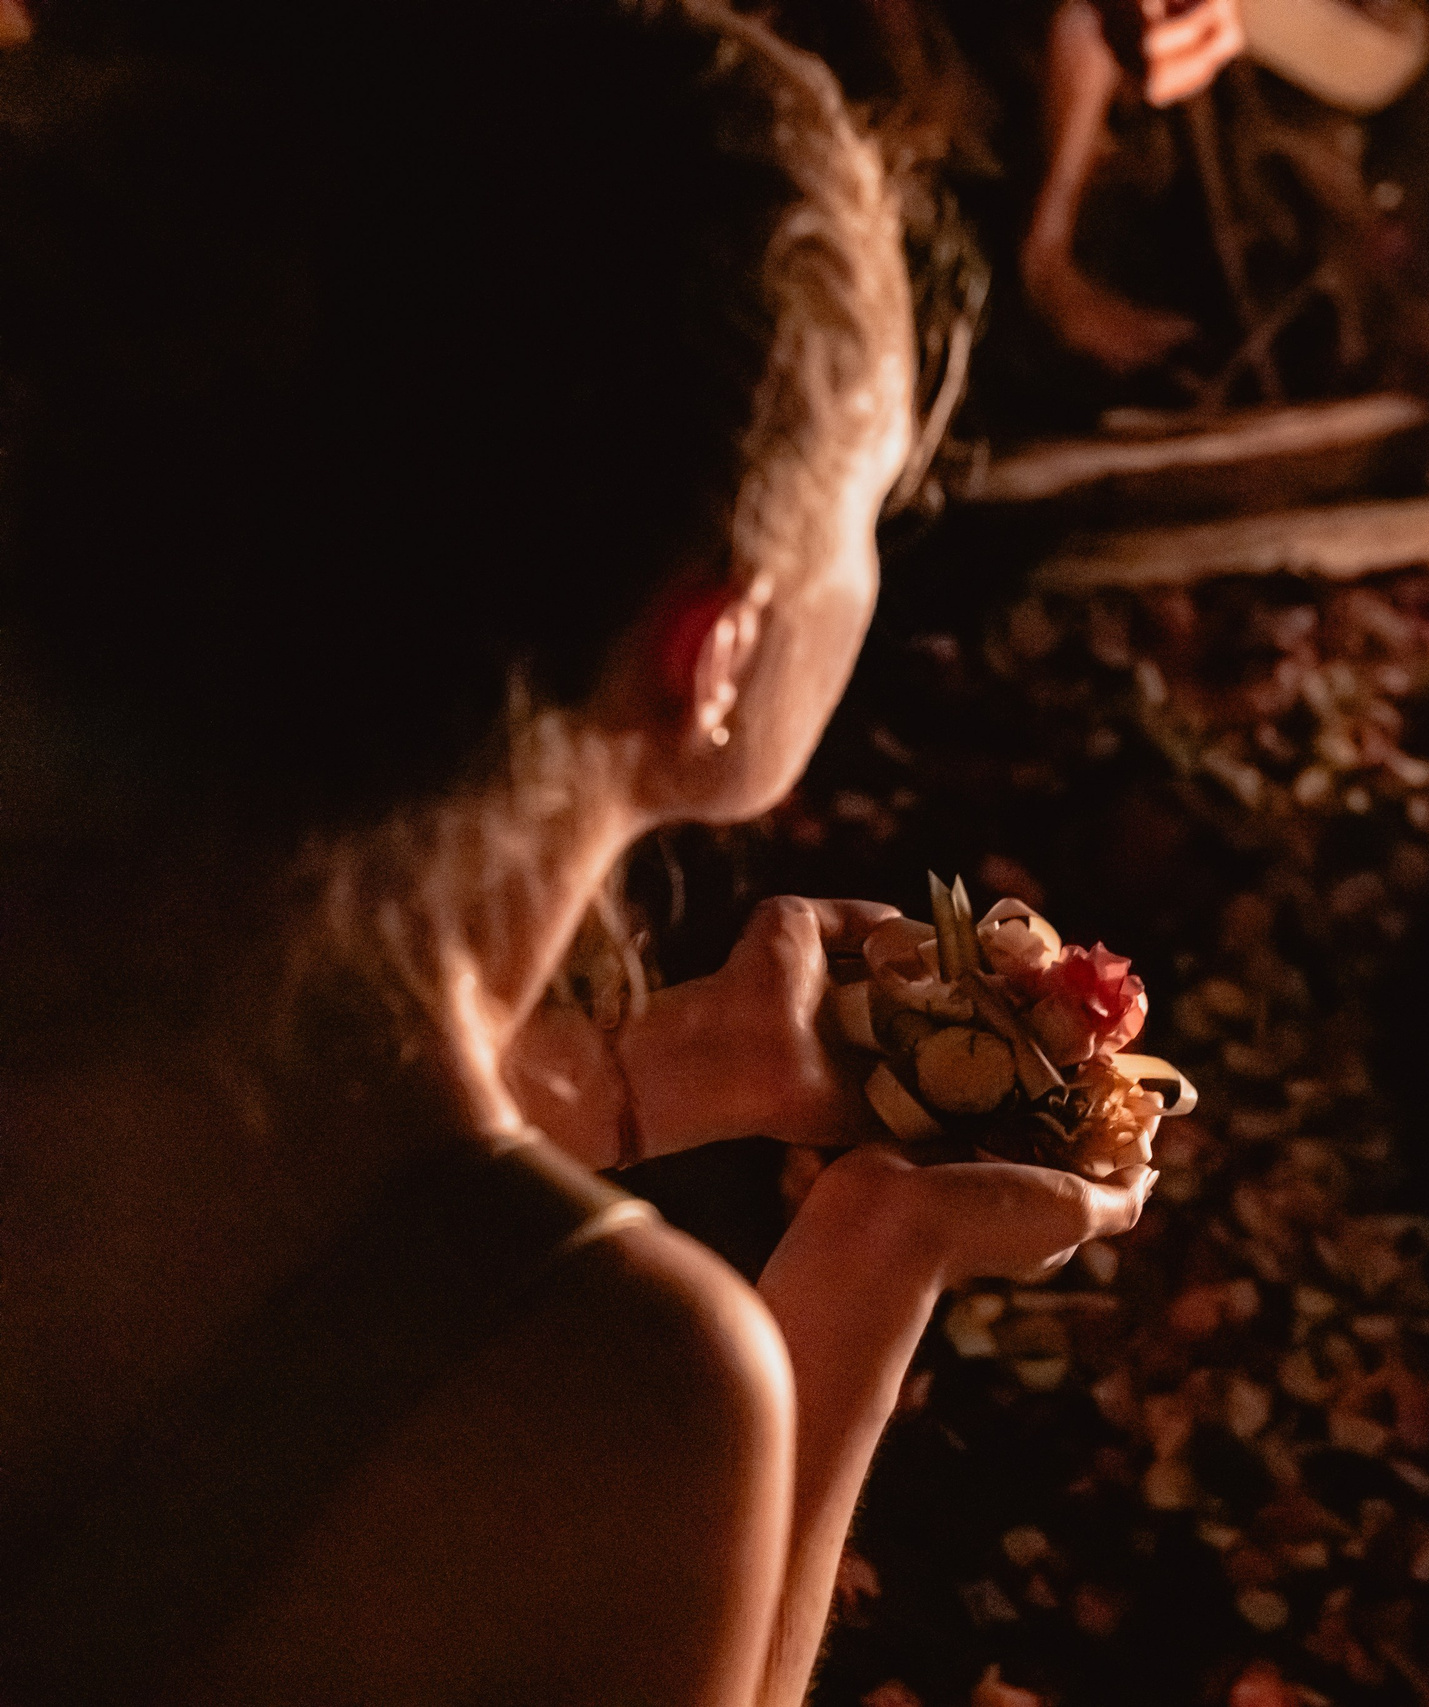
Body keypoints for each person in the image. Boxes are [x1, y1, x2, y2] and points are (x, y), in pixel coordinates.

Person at [0, 3, 1154, 1701]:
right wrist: (875, 1257)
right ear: (715, 653)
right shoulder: (619, 1397)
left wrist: (655, 1070)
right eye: (873, 515)